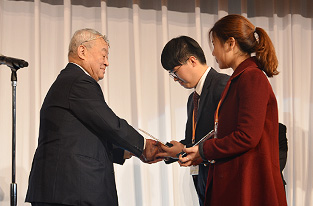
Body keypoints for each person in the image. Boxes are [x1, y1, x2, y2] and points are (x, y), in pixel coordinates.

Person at [25, 28, 160, 206]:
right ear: (82, 51)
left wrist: (127, 151)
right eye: (103, 55)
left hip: (63, 191)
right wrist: (142, 145)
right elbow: (109, 124)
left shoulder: (70, 80)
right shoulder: (78, 80)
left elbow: (84, 138)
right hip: (69, 192)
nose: (107, 62)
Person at [179, 14, 287, 206]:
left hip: (248, 185)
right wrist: (196, 150)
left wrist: (204, 150)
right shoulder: (240, 79)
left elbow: (247, 136)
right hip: (237, 181)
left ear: (230, 43)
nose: (213, 53)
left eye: (214, 44)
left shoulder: (252, 77)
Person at [157, 36, 229, 206]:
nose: (174, 78)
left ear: (192, 60)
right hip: (204, 183)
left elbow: (229, 138)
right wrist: (174, 151)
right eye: (171, 74)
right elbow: (197, 141)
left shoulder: (223, 86)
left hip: (223, 182)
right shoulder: (193, 98)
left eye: (175, 71)